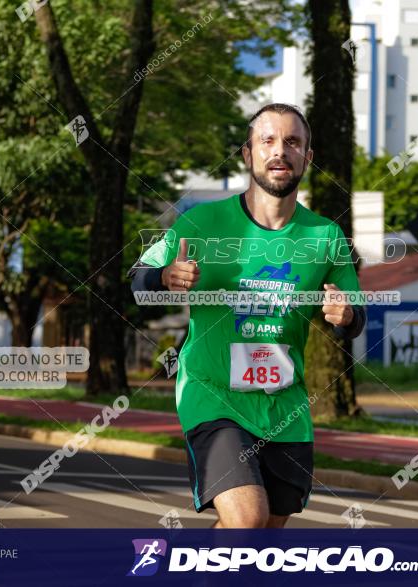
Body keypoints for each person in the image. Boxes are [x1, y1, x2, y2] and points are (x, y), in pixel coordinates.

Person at [130, 103, 365, 528]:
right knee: (246, 519)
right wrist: (163, 276)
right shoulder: (201, 222)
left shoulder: (326, 236)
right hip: (212, 393)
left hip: (285, 406)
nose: (280, 151)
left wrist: (345, 315)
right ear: (247, 154)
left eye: (292, 142)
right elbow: (136, 277)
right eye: (268, 141)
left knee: (260, 542)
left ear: (307, 158)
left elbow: (356, 314)